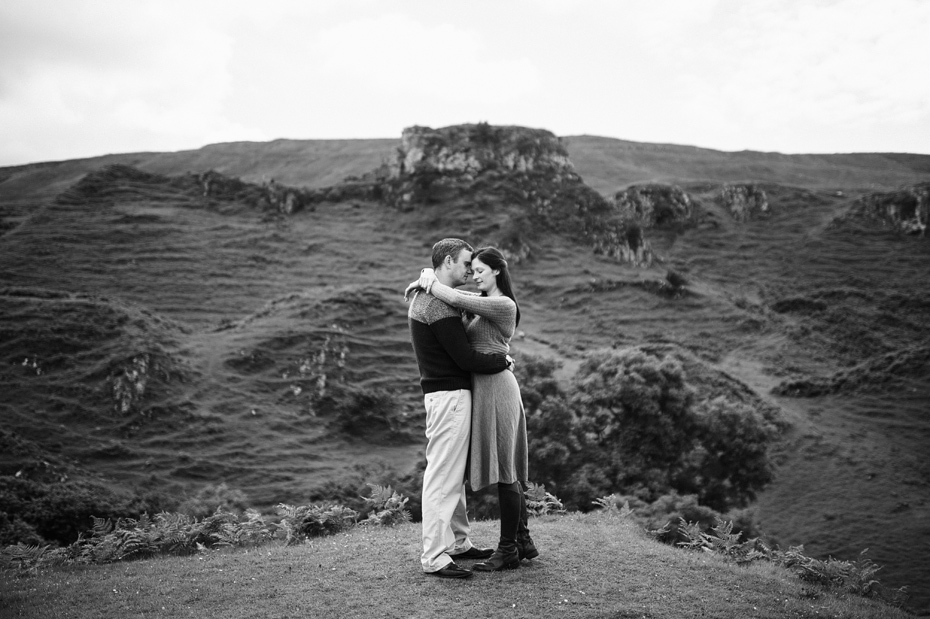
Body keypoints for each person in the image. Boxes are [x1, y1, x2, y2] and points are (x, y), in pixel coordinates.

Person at [408, 246, 537, 572]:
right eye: (469, 266)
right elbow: (457, 305)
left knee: (503, 469)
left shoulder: (501, 304)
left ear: (496, 270)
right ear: (448, 262)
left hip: (495, 386)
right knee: (451, 474)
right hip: (468, 391)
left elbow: (458, 300)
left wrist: (430, 280)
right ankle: (510, 542)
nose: (472, 273)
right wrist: (428, 279)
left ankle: (510, 544)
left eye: (478, 269)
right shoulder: (445, 301)